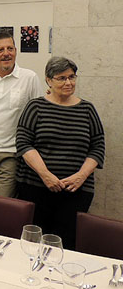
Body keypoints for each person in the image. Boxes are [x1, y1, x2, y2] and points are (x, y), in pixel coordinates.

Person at [16, 57, 105, 250]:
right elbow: (23, 143)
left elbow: (98, 147)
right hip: (35, 187)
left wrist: (81, 176)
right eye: (61, 78)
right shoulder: (36, 107)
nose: (68, 82)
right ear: (48, 80)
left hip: (76, 191)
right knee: (33, 244)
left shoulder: (87, 109)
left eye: (72, 77)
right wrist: (46, 175)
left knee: (67, 243)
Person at [0, 32, 43, 197]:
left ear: (16, 51)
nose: (6, 53)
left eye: (10, 48)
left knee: (2, 203)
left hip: (11, 152)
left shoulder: (29, 77)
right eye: (0, 50)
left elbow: (38, 115)